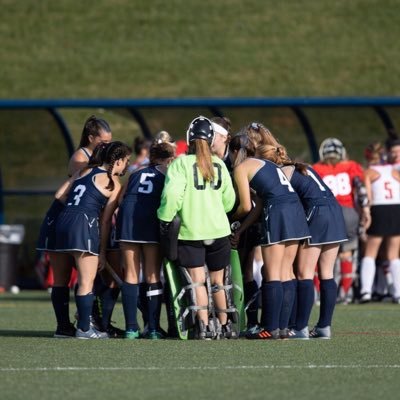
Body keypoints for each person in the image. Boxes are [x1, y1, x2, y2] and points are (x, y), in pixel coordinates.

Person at [157, 116, 236, 339]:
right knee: (219, 282)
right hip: (219, 231)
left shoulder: (180, 163)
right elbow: (229, 201)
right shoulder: (219, 164)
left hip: (191, 232)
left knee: (197, 281)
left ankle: (203, 327)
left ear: (189, 137)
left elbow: (172, 196)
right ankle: (225, 325)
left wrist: (164, 217)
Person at [231, 124, 310, 340]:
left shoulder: (242, 167)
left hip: (278, 212)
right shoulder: (268, 164)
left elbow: (246, 207)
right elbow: (257, 204)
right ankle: (283, 328)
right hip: (296, 211)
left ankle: (269, 328)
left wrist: (232, 219)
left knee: (273, 273)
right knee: (287, 272)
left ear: (236, 151)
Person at [37, 115, 113, 338]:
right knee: (73, 277)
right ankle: (77, 326)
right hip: (70, 219)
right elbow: (69, 193)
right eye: (103, 142)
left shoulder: (95, 159)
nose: (107, 146)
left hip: (67, 220)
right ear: (91, 138)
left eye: (110, 142)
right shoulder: (81, 158)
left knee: (80, 276)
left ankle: (79, 324)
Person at [54, 141, 131, 339]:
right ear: (118, 161)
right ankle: (85, 329)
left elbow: (59, 195)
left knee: (61, 281)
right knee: (86, 282)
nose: (126, 166)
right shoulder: (113, 182)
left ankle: (64, 329)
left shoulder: (83, 171)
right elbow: (105, 222)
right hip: (83, 225)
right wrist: (102, 252)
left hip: (62, 223)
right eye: (126, 161)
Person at [116, 133, 176, 339]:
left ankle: (131, 328)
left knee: (131, 276)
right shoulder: (168, 173)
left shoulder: (135, 172)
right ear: (169, 159)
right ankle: (152, 328)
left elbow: (121, 198)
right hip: (150, 219)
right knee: (152, 275)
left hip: (128, 220)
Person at [313, 138, 371, 304]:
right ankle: (345, 294)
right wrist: (366, 211)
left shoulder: (317, 168)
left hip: (326, 212)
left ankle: (318, 294)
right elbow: (361, 191)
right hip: (348, 213)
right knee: (346, 254)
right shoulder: (351, 166)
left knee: (320, 256)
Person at [360, 141, 400, 304]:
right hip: (396, 209)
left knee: (370, 252)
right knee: (394, 255)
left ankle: (366, 292)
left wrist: (366, 215)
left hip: (379, 209)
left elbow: (367, 197)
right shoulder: (394, 171)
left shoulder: (368, 172)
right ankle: (398, 293)